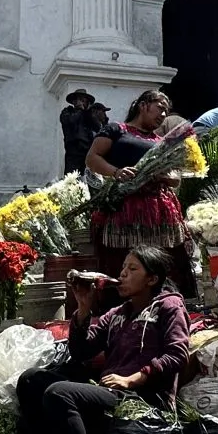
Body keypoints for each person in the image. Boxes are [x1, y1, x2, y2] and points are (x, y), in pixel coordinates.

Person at [14, 246, 189, 434]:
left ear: (152, 279)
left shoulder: (168, 306)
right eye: (123, 268)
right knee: (31, 380)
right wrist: (83, 308)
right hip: (109, 395)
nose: (123, 274)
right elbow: (82, 351)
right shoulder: (117, 313)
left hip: (142, 403)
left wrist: (135, 378)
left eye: (133, 270)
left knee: (59, 393)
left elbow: (178, 354)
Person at [85, 90, 196, 291]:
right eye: (160, 108)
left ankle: (167, 301)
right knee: (125, 258)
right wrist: (117, 172)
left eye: (166, 111)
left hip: (160, 212)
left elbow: (176, 178)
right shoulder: (117, 130)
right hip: (124, 209)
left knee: (164, 259)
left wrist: (160, 176)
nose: (163, 115)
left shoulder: (161, 142)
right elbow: (92, 158)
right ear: (143, 105)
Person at [60, 89, 99, 174]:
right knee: (72, 176)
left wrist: (88, 112)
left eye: (84, 101)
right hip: (73, 149)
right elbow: (71, 121)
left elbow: (97, 127)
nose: (82, 103)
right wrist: (80, 110)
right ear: (74, 101)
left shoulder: (88, 115)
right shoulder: (67, 112)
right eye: (80, 100)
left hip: (88, 150)